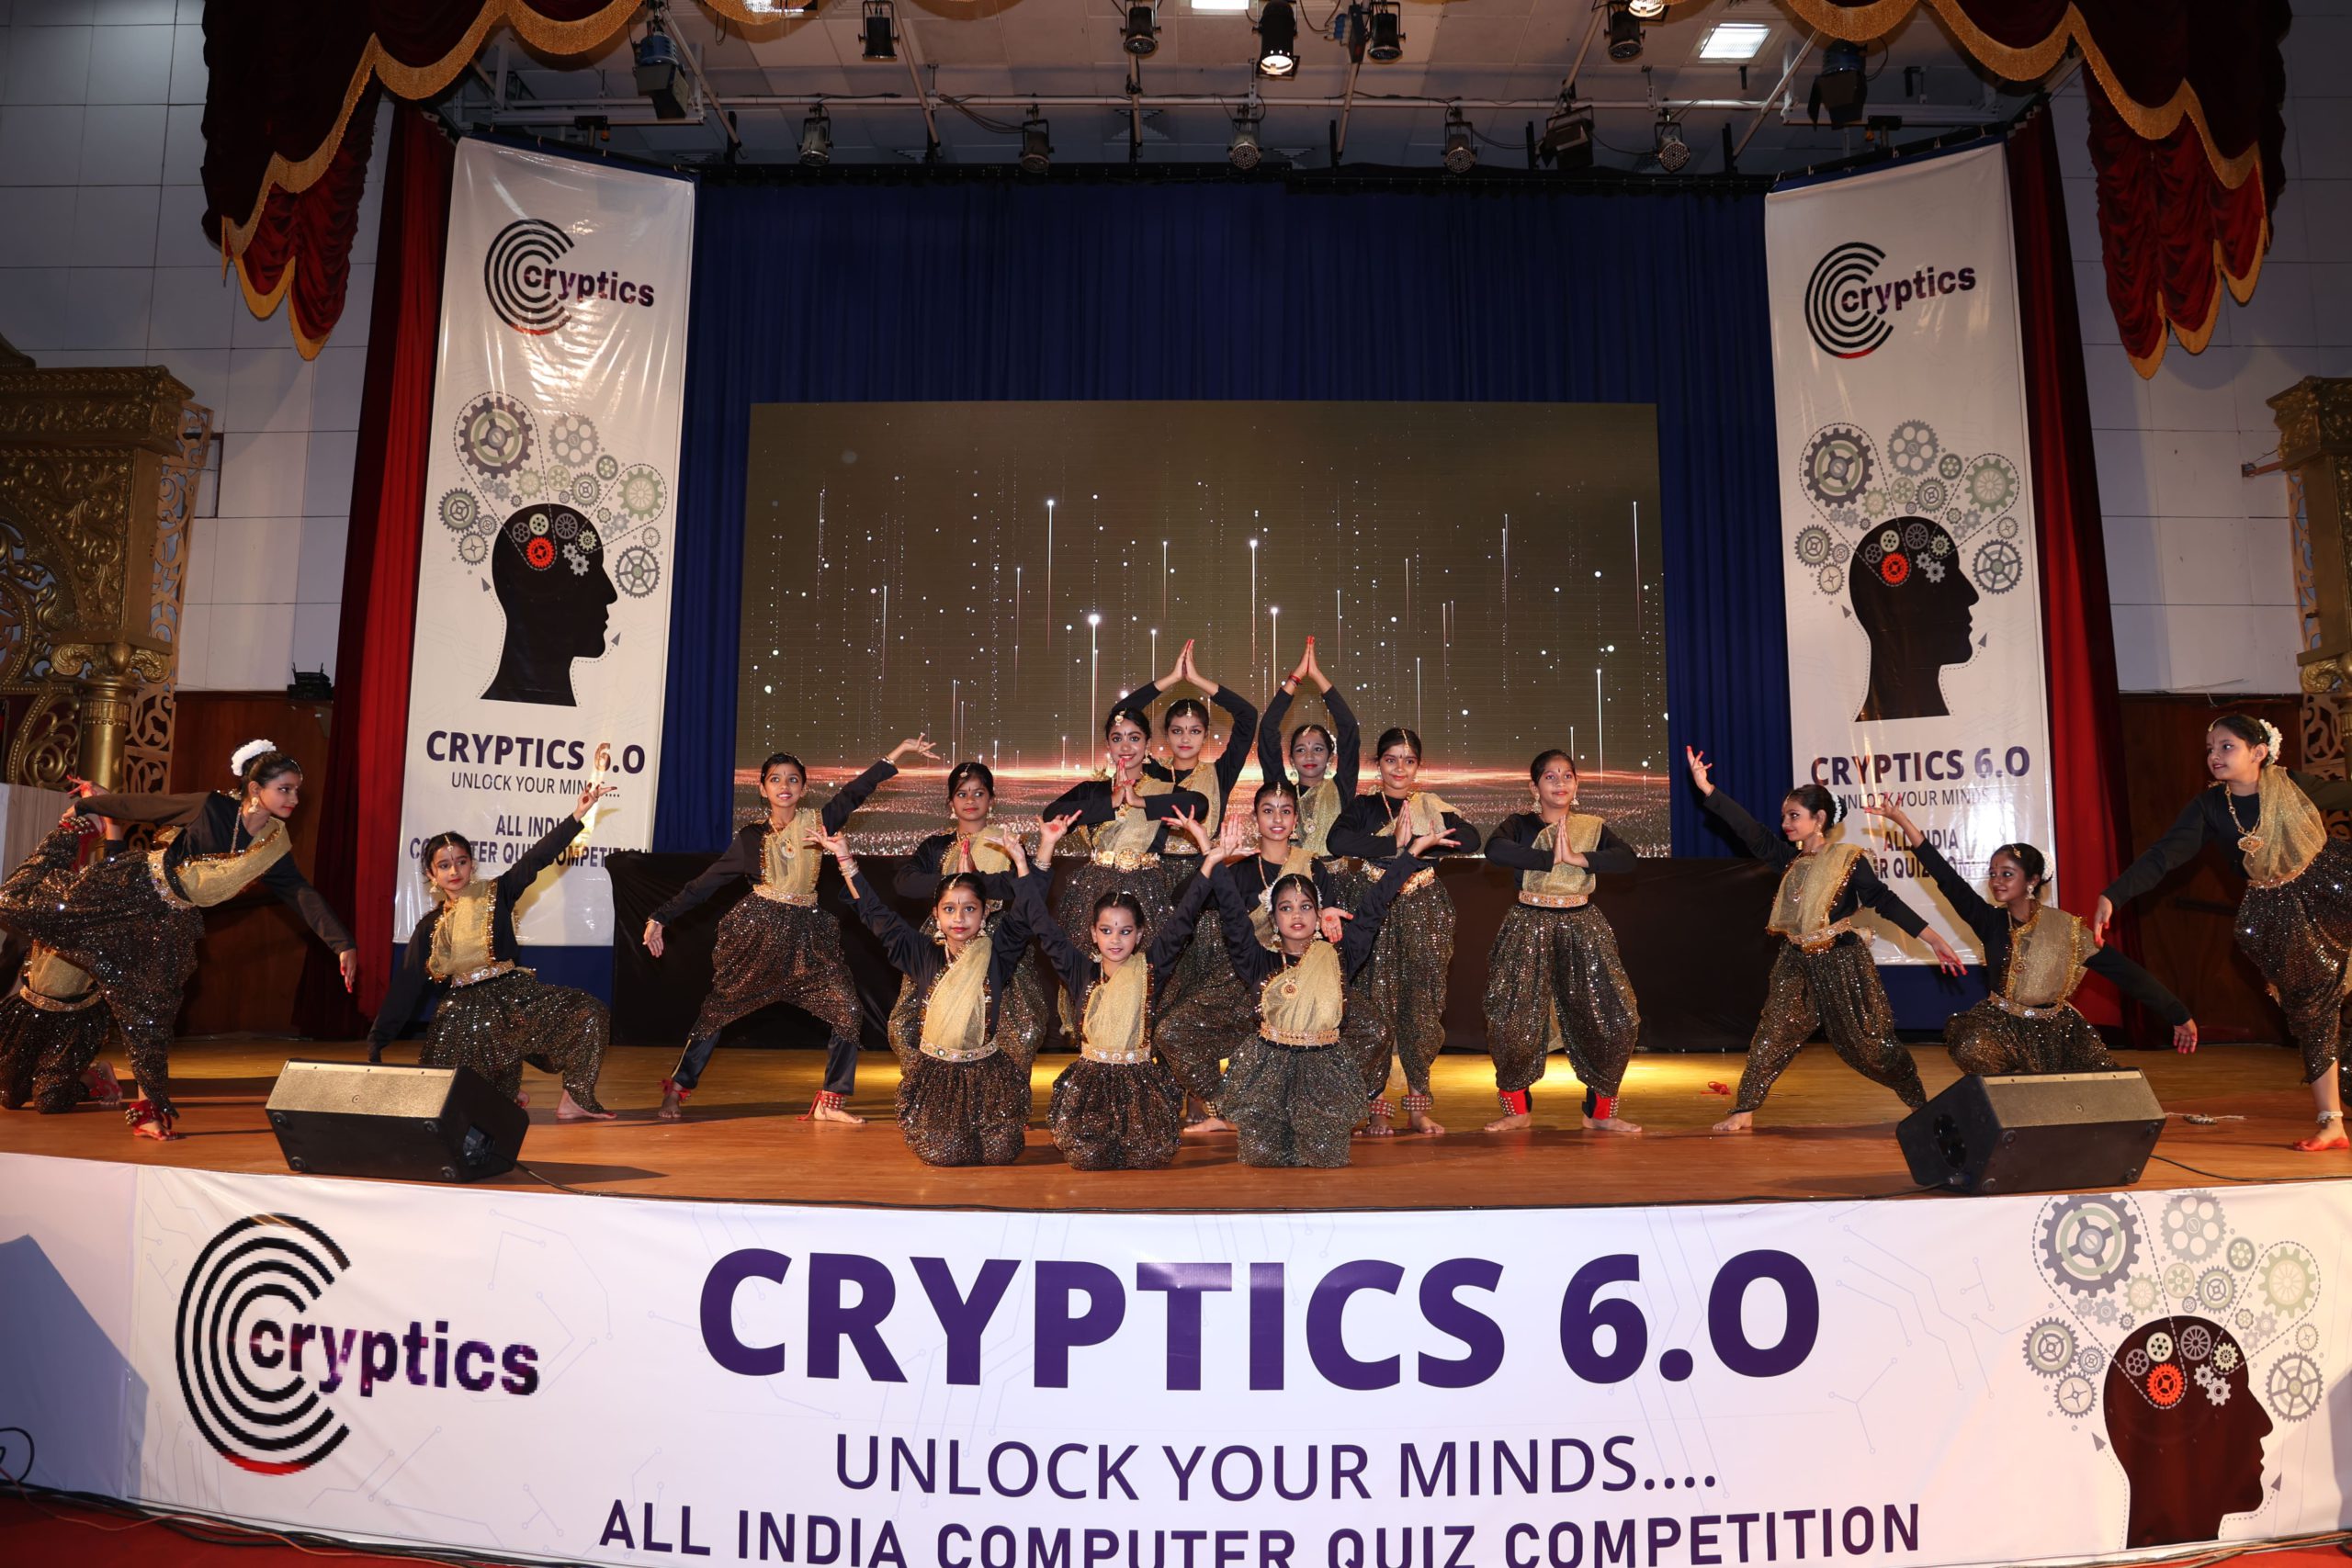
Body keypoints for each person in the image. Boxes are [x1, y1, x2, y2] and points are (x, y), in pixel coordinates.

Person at [0, 741, 358, 1140]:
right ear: (257, 789)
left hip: (169, 922)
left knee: (150, 1015)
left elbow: (301, 893)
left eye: (296, 791)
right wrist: (87, 809)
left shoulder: (273, 844)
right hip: (130, 889)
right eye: (285, 789)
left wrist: (341, 944)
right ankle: (68, 836)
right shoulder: (211, 806)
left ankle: (148, 1113)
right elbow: (145, 807)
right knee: (11, 902)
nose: (294, 799)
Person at [643, 736, 936, 1122]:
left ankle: (830, 1103)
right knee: (716, 1013)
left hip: (807, 941)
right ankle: (676, 1091)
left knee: (848, 1010)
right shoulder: (750, 839)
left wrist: (896, 755)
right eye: (776, 779)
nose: (785, 786)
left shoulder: (818, 824)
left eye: (793, 779)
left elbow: (854, 793)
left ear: (804, 788)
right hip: (759, 938)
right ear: (762, 788)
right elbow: (704, 884)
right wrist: (661, 916)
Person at [2093, 715, 2352, 1152]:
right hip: (2278, 913)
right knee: (2312, 1011)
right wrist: (2113, 896)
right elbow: (2163, 856)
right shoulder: (2209, 807)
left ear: (2259, 752)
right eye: (2210, 749)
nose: (2214, 755)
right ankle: (2332, 1124)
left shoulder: (2293, 785)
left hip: (2333, 886)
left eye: (2226, 746)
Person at [1683, 746, 1965, 1133]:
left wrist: (1932, 938)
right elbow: (1750, 830)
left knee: (1866, 1046)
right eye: (1784, 816)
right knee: (1773, 1033)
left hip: (1840, 960)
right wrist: (1707, 789)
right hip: (1795, 960)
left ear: (1819, 819)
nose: (1785, 823)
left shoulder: (1849, 859)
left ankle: (1919, 1101)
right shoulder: (1788, 859)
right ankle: (1744, 1109)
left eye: (1794, 816)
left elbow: (1884, 900)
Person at [1868, 802, 2197, 1075]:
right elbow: (1947, 878)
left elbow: (2125, 972)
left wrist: (2178, 1013)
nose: (1996, 881)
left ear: (2033, 880)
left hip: (2057, 1032)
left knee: (2106, 1091)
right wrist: (1902, 820)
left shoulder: (2067, 930)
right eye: (1993, 874)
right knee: (1971, 1045)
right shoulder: (1989, 921)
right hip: (2000, 1028)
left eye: (2007, 874)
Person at [368, 782, 617, 1118]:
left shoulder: (498, 894)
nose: (454, 871)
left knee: (590, 1011)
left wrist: (578, 814)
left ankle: (575, 1097)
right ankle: (503, 1091)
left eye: (461, 862)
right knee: (448, 1100)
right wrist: (378, 1038)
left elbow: (537, 857)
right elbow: (408, 983)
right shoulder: (430, 927)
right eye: (444, 865)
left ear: (472, 865)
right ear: (431, 874)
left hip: (513, 997)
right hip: (463, 1012)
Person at [825, 824, 1043, 1167]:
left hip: (988, 1076)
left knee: (1001, 1153)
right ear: (936, 915)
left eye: (970, 909)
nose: (960, 919)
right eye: (950, 909)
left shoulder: (998, 952)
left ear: (986, 913)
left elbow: (1029, 911)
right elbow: (874, 912)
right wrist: (845, 860)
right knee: (944, 1153)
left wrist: (1024, 861)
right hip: (938, 1078)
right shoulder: (921, 953)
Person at [1208, 818, 1421, 1168]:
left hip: (1324, 1076)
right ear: (1273, 917)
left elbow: (1373, 908)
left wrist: (1410, 856)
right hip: (1268, 1079)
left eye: (1305, 906)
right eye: (1286, 908)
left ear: (1319, 914)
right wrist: (1215, 858)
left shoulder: (1338, 957)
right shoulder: (1257, 960)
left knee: (1326, 1158)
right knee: (1264, 1159)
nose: (1297, 915)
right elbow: (1232, 913)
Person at [1021, 808, 1221, 1171]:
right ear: (1093, 933)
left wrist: (1208, 857)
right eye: (1107, 931)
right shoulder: (1080, 969)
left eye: (1125, 931)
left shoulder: (1151, 968)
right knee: (1087, 1158)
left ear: (1140, 935)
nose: (1116, 940)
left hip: (1139, 1087)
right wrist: (1040, 852)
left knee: (1149, 1157)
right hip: (1090, 1087)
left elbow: (1185, 917)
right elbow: (1039, 920)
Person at [1113, 639, 1260, 1131]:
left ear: (1205, 735)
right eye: (1176, 730)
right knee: (1163, 990)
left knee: (1200, 989)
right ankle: (1166, 1094)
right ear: (1164, 735)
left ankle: (1201, 1096)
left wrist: (1197, 681)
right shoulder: (1151, 775)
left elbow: (1248, 716)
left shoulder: (1219, 773)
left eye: (1195, 731)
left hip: (1207, 885)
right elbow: (1120, 715)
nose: (1185, 738)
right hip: (1158, 887)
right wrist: (1167, 681)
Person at [1327, 727, 1482, 1135]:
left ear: (1418, 766)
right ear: (1378, 764)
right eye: (1391, 759)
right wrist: (1391, 845)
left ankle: (1418, 1107)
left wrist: (1420, 843)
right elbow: (1336, 841)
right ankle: (1376, 1108)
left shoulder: (1430, 805)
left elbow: (1470, 838)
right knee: (1375, 1004)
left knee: (1422, 1004)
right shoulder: (1364, 806)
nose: (1400, 768)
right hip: (1374, 905)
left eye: (1409, 761)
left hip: (1424, 908)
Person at [1480, 750, 1644, 1134]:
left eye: (1567, 775)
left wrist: (1578, 858)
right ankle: (1517, 1111)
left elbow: (1626, 859)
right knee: (1512, 1021)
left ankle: (1601, 1113)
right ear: (1534, 787)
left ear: (1576, 784)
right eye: (1550, 777)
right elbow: (1495, 849)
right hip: (1528, 924)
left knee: (1613, 1017)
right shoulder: (1519, 824)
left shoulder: (1592, 827)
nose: (1559, 783)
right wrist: (1549, 859)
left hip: (1582, 925)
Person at [1041, 709, 1207, 1039]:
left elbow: (1198, 804)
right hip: (1093, 896)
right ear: (1108, 744)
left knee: (1148, 984)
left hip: (1147, 899)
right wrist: (1112, 800)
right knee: (1092, 982)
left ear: (1147, 744)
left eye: (1134, 738)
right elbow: (1051, 814)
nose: (1126, 746)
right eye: (1117, 738)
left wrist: (1141, 801)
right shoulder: (1092, 791)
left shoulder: (1163, 789)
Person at [889, 761, 1051, 1074]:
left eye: (979, 793)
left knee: (1019, 1026)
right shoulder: (936, 846)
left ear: (992, 800)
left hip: (999, 939)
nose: (970, 800)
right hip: (945, 940)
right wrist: (955, 880)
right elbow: (904, 883)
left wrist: (977, 881)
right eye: (962, 794)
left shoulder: (1007, 843)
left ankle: (1003, 1092)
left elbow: (1022, 886)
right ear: (950, 803)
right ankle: (932, 1084)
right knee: (913, 1020)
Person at [0, 812, 125, 1116]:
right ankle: (53, 1071)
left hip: (75, 1019)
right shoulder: (39, 908)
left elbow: (116, 868)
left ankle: (93, 1076)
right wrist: (69, 830)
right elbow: (33, 872)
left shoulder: (97, 913)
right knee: (10, 1098)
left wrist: (111, 820)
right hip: (31, 1011)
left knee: (51, 1102)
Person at [1257, 637, 1361, 863]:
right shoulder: (1282, 792)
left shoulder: (1341, 787)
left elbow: (1349, 729)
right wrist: (1295, 678)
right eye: (1301, 750)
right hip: (1290, 878)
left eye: (1318, 749)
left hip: (1334, 880)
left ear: (1330, 756)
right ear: (1291, 759)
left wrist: (1316, 675)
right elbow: (1267, 730)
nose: (1310, 756)